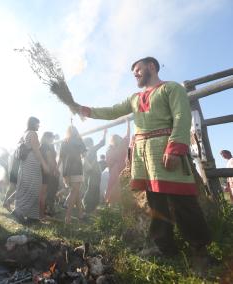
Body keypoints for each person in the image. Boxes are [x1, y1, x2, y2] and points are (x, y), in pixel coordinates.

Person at [72, 57, 211, 260]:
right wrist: (87, 110)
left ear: (151, 67)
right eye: (133, 72)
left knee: (183, 201)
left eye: (138, 69)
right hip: (144, 156)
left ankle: (200, 251)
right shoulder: (134, 98)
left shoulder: (171, 88)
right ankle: (164, 248)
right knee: (156, 203)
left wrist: (174, 148)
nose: (135, 74)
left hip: (164, 149)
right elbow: (112, 111)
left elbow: (182, 116)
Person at [12, 117, 49, 223]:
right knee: (34, 189)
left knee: (25, 188)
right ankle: (18, 212)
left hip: (24, 165)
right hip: (32, 165)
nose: (39, 125)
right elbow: (37, 151)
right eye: (38, 123)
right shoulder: (32, 133)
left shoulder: (24, 134)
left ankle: (32, 217)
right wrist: (44, 164)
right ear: (33, 124)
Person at [58, 126, 87, 224]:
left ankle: (80, 214)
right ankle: (68, 216)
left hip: (66, 169)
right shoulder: (79, 140)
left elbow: (60, 158)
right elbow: (84, 154)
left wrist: (57, 169)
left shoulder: (64, 142)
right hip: (77, 168)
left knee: (76, 192)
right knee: (75, 192)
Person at [105, 121, 130, 204]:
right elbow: (127, 135)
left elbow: (108, 161)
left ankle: (110, 204)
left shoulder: (110, 149)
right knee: (119, 186)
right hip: (121, 168)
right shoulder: (121, 145)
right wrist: (128, 123)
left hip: (114, 170)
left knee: (112, 186)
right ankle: (115, 204)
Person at [82, 129, 107, 212]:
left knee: (93, 189)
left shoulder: (85, 151)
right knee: (92, 189)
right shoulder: (89, 150)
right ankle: (87, 206)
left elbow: (102, 143)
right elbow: (102, 143)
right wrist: (104, 133)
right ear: (90, 143)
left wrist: (104, 133)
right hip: (93, 172)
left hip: (92, 173)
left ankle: (91, 207)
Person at [39, 132, 58, 219]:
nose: (52, 139)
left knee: (44, 193)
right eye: (51, 138)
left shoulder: (43, 145)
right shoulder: (46, 146)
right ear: (47, 137)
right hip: (47, 171)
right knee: (45, 193)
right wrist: (55, 169)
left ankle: (43, 212)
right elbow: (50, 159)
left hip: (43, 170)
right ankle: (42, 214)